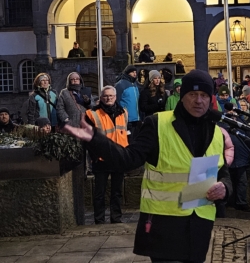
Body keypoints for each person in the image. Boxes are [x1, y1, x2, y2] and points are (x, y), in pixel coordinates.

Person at [61, 70, 232, 262]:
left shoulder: (217, 132)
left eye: (204, 95)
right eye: (192, 94)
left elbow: (223, 172)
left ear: (211, 99)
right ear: (181, 97)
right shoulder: (157, 123)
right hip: (164, 222)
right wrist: (95, 139)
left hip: (199, 224)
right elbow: (128, 159)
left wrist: (224, 187)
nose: (198, 100)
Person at [86, 86, 129, 224]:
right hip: (101, 159)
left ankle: (116, 218)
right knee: (100, 193)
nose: (108, 98)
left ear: (115, 97)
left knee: (117, 192)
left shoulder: (123, 113)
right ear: (101, 98)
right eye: (105, 96)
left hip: (119, 157)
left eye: (111, 96)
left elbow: (125, 134)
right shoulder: (92, 114)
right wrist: (94, 157)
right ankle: (99, 219)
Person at [115, 65, 140, 141]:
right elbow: (116, 100)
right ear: (127, 73)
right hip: (126, 119)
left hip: (136, 118)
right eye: (132, 72)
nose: (135, 74)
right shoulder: (120, 85)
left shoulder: (135, 84)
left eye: (135, 72)